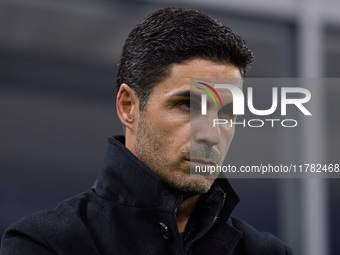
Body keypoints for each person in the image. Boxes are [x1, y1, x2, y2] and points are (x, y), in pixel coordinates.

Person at [0, 7, 293, 255]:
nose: (212, 134)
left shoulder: (267, 251)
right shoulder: (46, 244)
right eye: (187, 105)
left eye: (228, 113)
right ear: (128, 107)